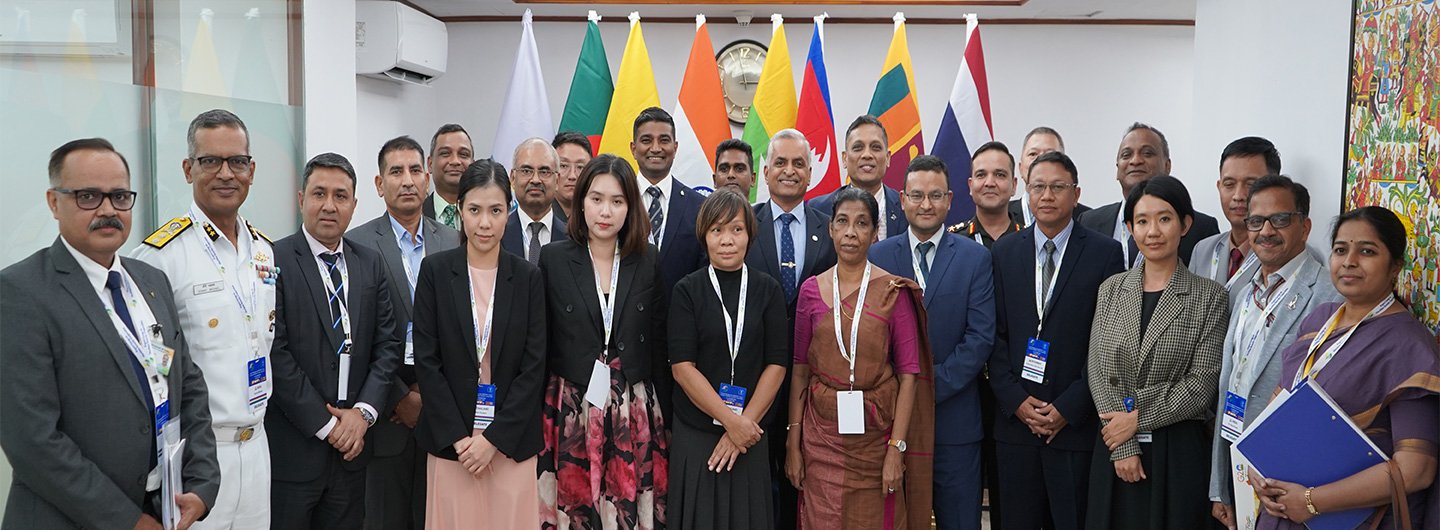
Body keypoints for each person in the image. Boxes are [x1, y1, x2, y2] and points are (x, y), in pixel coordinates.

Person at [2, 138, 219, 529]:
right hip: (69, 519)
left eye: (120, 196)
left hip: (162, 507)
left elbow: (189, 387)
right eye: (88, 196)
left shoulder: (151, 280)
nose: (107, 210)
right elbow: (32, 440)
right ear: (54, 202)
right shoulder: (20, 293)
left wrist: (202, 487)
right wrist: (127, 521)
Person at [130, 109, 275, 529]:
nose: (225, 173)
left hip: (258, 446)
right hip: (199, 458)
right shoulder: (160, 257)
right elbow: (150, 370)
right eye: (210, 161)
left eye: (237, 162)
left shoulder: (263, 251)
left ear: (251, 170)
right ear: (188, 169)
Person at [1251, 207, 1439, 529]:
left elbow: (1415, 469)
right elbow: (1275, 411)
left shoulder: (1409, 347)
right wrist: (1258, 471)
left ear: (1395, 266)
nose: (1349, 261)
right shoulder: (1318, 320)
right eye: (1340, 249)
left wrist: (1311, 501)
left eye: (1367, 251)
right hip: (1283, 510)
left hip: (1354, 518)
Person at [988, 151, 1124, 530]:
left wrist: (1069, 406)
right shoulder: (1004, 252)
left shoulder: (1104, 253)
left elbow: (1107, 340)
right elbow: (994, 337)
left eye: (1057, 187)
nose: (1047, 195)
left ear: (1076, 193)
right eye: (1038, 187)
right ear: (1026, 193)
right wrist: (1015, 401)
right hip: (1016, 427)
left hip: (1074, 427)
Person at [786, 185, 936, 529]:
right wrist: (792, 444)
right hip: (820, 439)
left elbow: (909, 375)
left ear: (874, 232)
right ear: (830, 229)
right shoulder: (810, 291)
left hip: (876, 441)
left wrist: (896, 450)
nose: (851, 232)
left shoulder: (893, 292)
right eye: (842, 221)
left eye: (862, 223)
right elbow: (800, 372)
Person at [267, 153, 404, 529]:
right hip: (296, 451)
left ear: (354, 205)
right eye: (319, 194)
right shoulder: (273, 260)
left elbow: (388, 345)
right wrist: (329, 427)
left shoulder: (369, 263)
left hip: (354, 453)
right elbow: (274, 352)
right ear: (300, 199)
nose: (329, 205)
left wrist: (362, 415)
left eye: (341, 196)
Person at [1085, 175, 1229, 529]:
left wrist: (1135, 420)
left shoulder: (1210, 296)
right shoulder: (1112, 289)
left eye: (1164, 219)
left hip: (1176, 451)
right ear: (1131, 227)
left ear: (1185, 224)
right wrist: (1123, 445)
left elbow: (1201, 386)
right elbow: (1097, 369)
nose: (1153, 231)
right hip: (1112, 444)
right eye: (1142, 221)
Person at [411, 159, 547, 529]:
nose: (484, 223)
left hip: (510, 445)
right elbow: (427, 361)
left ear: (509, 213)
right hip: (451, 444)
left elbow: (534, 367)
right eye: (474, 210)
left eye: (495, 211)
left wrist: (493, 439)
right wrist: (460, 438)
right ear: (459, 211)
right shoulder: (436, 272)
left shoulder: (529, 277)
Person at [537, 154, 670, 530]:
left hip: (634, 404)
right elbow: (542, 342)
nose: (605, 211)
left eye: (617, 201)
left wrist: (670, 417)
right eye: (596, 199)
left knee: (628, 509)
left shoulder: (647, 259)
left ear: (631, 206)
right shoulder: (554, 259)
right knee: (575, 510)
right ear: (581, 201)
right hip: (571, 405)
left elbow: (658, 341)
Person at [1206, 175, 1339, 529]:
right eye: (1255, 221)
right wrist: (1219, 486)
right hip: (1235, 454)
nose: (1266, 231)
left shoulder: (1329, 295)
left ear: (1304, 226)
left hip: (1288, 479)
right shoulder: (1243, 291)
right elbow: (1228, 385)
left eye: (1279, 219)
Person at [870, 156, 995, 530]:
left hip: (954, 424)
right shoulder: (877, 256)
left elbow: (980, 336)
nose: (926, 205)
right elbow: (871, 338)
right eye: (917, 195)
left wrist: (926, 388)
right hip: (890, 423)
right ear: (903, 199)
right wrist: (900, 392)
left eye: (936, 195)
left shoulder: (975, 258)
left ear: (950, 199)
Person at [349, 135, 463, 530]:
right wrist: (399, 397)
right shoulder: (356, 244)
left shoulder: (452, 241)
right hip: (386, 418)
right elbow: (356, 337)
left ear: (428, 179)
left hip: (444, 415)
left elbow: (462, 331)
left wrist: (431, 395)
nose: (407, 180)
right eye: (396, 172)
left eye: (415, 170)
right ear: (379, 185)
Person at [667, 189, 789, 529]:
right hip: (698, 432)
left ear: (750, 235)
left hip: (752, 431)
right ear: (704, 235)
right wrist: (730, 422)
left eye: (736, 229)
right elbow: (682, 368)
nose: (727, 240)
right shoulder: (686, 290)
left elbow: (776, 365)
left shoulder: (768, 289)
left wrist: (744, 425)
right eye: (717, 230)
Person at [743, 129, 837, 530]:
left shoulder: (831, 228)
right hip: (754, 373)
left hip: (812, 376)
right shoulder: (743, 225)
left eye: (798, 163)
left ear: (810, 172)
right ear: (765, 173)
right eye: (780, 162)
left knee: (806, 473)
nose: (789, 170)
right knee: (758, 475)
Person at [1079, 122, 1220, 267]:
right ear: (1117, 169)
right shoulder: (1089, 222)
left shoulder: (1201, 227)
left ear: (1167, 166)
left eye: (1147, 153)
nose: (1135, 161)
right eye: (1126, 155)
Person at [630, 106, 707, 291]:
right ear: (633, 148)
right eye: (646, 140)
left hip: (680, 314)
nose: (655, 148)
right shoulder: (618, 200)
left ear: (675, 147)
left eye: (664, 140)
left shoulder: (699, 206)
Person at [1189, 137, 1280, 288]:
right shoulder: (1203, 251)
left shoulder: (1289, 251)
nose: (1238, 196)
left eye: (1251, 184)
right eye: (1229, 184)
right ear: (1219, 187)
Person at [809, 115, 910, 240]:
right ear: (845, 159)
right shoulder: (819, 209)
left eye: (876, 147)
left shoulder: (906, 207)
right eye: (858, 148)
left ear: (888, 158)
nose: (867, 155)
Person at [501, 138, 569, 264]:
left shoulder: (573, 239)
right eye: (526, 171)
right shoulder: (498, 234)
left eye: (544, 172)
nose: (536, 180)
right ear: (513, 178)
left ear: (557, 181)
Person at [1008, 127, 1090, 226]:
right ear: (1020, 168)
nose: (1041, 160)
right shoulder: (1003, 215)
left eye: (1050, 154)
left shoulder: (1087, 218)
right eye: (1033, 154)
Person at [949, 141, 1023, 247]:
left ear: (1014, 185)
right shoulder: (952, 241)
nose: (989, 183)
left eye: (1000, 175)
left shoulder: (1032, 241)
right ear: (970, 185)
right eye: (981, 175)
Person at [422, 124, 475, 231]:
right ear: (430, 164)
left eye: (463, 154)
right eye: (445, 153)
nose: (455, 161)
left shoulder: (487, 216)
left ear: (473, 164)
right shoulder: (415, 215)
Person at [552, 131, 593, 223]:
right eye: (563, 166)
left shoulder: (598, 219)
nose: (572, 176)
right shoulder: (537, 214)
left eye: (580, 167)